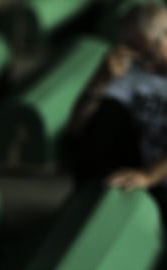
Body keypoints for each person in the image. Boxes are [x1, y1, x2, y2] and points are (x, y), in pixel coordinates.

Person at [64, 2, 167, 220]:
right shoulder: (131, 70)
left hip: (157, 173)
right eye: (136, 53)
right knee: (106, 114)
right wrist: (100, 81)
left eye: (150, 55)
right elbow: (77, 127)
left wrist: (148, 176)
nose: (146, 65)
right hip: (142, 166)